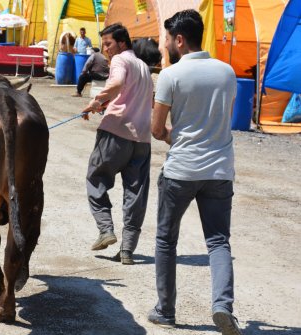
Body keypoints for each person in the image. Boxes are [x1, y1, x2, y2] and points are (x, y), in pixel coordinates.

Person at [147, 10, 242, 335]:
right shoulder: (227, 72)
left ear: (180, 39)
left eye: (167, 40)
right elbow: (223, 121)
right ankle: (222, 306)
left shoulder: (171, 76)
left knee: (165, 240)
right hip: (219, 171)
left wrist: (179, 136)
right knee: (218, 242)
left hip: (181, 171)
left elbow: (157, 130)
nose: (165, 46)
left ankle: (165, 310)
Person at [82, 23, 153, 265]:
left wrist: (96, 101)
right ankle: (127, 250)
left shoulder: (121, 61)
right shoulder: (144, 66)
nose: (106, 50)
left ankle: (105, 229)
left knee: (96, 178)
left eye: (109, 44)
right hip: (142, 138)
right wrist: (105, 102)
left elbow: (116, 85)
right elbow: (138, 98)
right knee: (135, 192)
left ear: (122, 43)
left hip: (115, 131)